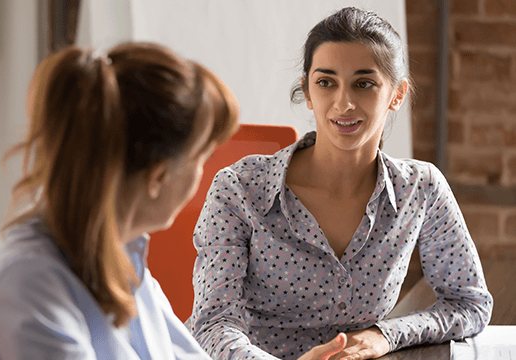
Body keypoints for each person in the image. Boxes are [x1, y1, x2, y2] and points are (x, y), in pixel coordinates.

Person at [186, 7, 493, 360]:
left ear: (397, 94)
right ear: (307, 90)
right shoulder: (239, 189)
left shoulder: (420, 189)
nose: (343, 103)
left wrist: (385, 335)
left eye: (364, 84)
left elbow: (469, 303)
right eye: (325, 82)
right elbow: (213, 323)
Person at [0, 41, 257, 359]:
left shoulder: (122, 255)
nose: (204, 176)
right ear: (159, 177)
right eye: (201, 158)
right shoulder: (26, 287)